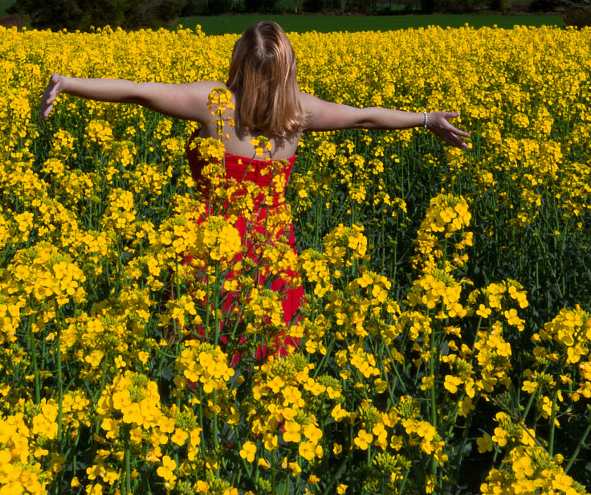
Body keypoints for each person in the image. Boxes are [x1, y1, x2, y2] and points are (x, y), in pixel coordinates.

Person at [37, 21, 469, 362]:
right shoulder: (299, 111)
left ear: (240, 60)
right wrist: (427, 119)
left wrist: (69, 82)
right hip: (272, 246)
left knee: (199, 342)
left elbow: (135, 92)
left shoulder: (213, 102)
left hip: (209, 243)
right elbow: (365, 118)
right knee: (267, 344)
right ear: (288, 69)